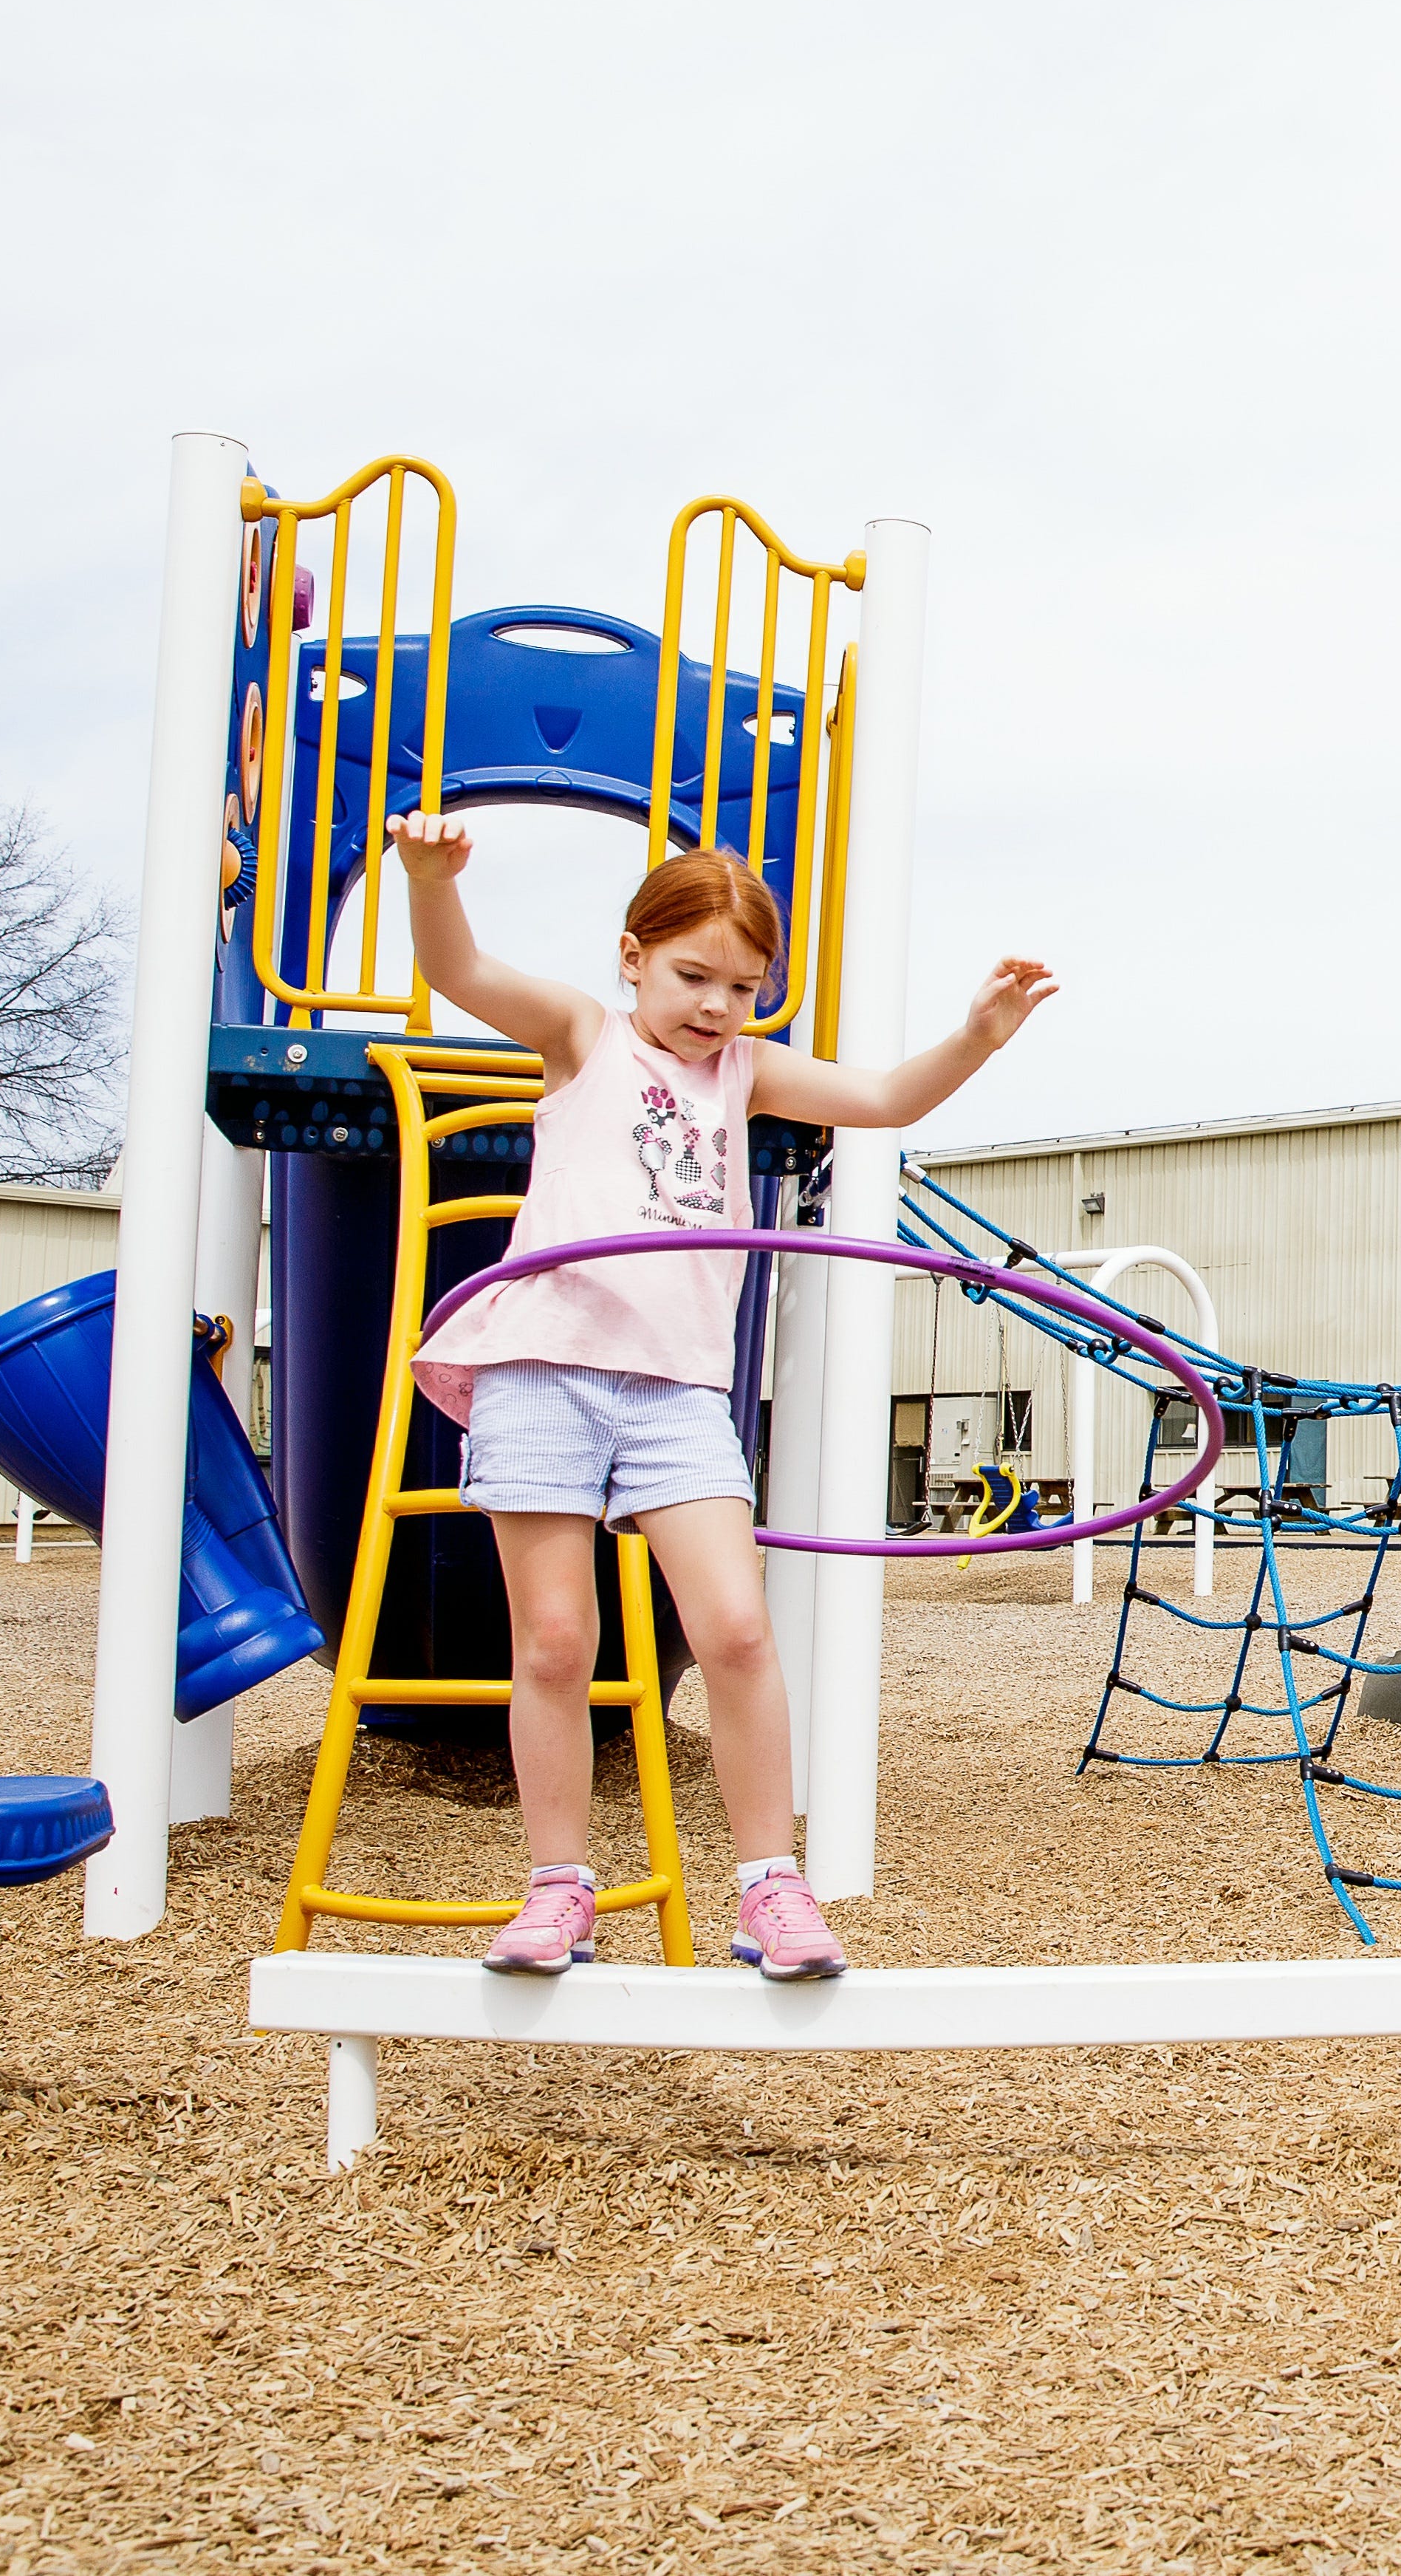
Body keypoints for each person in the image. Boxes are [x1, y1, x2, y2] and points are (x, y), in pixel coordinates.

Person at [391, 816, 1056, 1980]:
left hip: (676, 1391)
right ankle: (557, 1889)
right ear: (632, 956)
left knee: (740, 1629)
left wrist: (978, 1038)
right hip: (543, 1364)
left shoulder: (746, 1071)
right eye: (693, 976)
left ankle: (768, 1889)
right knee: (555, 1640)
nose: (714, 1007)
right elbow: (456, 972)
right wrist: (430, 880)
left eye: (743, 988)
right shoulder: (584, 1036)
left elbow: (889, 1100)